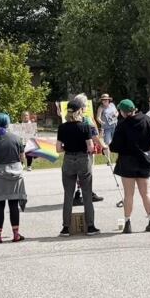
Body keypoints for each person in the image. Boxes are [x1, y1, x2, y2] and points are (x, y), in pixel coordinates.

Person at [109, 99, 150, 234]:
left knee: (128, 195)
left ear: (123, 112)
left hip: (127, 162)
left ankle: (127, 223)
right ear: (134, 109)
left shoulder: (122, 125)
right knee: (146, 193)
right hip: (144, 160)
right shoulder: (146, 119)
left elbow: (114, 146)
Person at [56, 101, 100, 237]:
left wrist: (67, 148)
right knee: (87, 194)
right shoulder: (85, 127)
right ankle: (91, 226)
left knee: (68, 195)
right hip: (82, 159)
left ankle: (66, 227)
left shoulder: (62, 127)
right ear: (79, 111)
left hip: (68, 159)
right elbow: (90, 147)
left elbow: (58, 148)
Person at [0, 113, 28, 243]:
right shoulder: (16, 139)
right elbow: (22, 157)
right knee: (14, 205)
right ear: (8, 124)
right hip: (15, 175)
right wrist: (21, 166)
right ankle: (16, 234)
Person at [73, 94, 105, 205]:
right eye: (86, 105)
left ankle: (80, 193)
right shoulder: (86, 120)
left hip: (73, 152)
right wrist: (103, 146)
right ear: (82, 106)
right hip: (86, 150)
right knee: (87, 173)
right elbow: (94, 136)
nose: (87, 107)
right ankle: (84, 194)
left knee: (78, 174)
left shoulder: (69, 120)